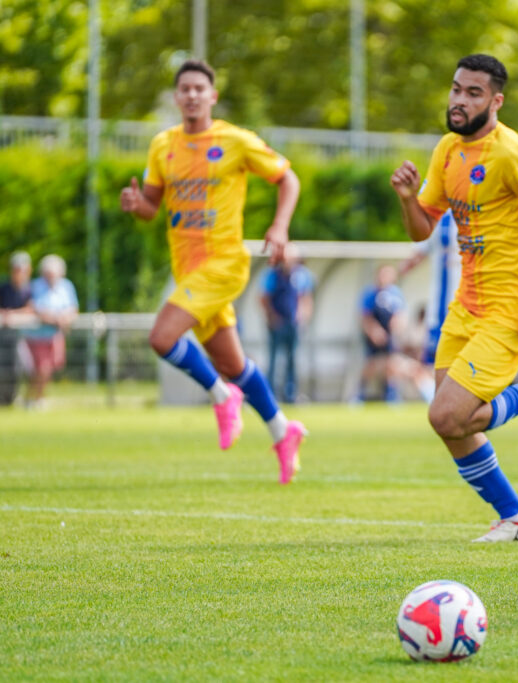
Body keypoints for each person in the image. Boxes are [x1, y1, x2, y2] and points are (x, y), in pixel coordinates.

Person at [390, 54, 518, 542]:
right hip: (465, 306)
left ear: (495, 101)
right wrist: (409, 199)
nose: (459, 100)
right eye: (456, 89)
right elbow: (421, 230)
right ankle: (517, 519)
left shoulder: (513, 154)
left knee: (446, 414)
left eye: (473, 93)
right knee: (451, 424)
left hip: (509, 308)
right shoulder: (449, 150)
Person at [119, 59, 305, 484]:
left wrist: (279, 226)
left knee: (161, 337)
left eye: (199, 88)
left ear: (212, 96)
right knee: (233, 362)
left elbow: (287, 178)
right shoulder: (162, 145)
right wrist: (137, 206)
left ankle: (222, 397)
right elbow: (151, 206)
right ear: (175, 96)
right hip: (187, 269)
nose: (191, 95)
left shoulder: (235, 140)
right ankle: (283, 430)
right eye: (184, 88)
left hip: (223, 263)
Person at [398, 208, 461, 366]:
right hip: (438, 311)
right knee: (435, 364)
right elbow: (420, 248)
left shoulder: (478, 207)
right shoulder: (437, 214)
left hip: (469, 310)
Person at [260, 243, 314, 404]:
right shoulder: (272, 274)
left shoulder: (302, 275)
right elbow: (264, 298)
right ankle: (270, 395)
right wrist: (272, 317)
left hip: (294, 324)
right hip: (277, 324)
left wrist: (303, 316)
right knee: (273, 359)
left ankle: (291, 394)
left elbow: (306, 298)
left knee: (293, 359)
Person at [24, 255, 78, 409]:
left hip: (55, 335)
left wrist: (64, 318)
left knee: (49, 369)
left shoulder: (66, 286)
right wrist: (54, 318)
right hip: (37, 335)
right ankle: (35, 399)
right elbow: (34, 308)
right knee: (41, 368)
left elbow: (73, 307)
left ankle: (35, 398)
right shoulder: (35, 286)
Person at [358, 263, 407, 402]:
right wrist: (373, 331)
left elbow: (401, 313)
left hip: (391, 334)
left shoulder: (396, 293)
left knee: (392, 363)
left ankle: (391, 395)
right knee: (371, 364)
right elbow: (365, 316)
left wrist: (398, 325)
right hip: (374, 335)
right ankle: (360, 394)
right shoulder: (370, 293)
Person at [0, 251, 34, 405]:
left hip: (24, 337)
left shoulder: (30, 289)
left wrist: (12, 314)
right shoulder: (4, 288)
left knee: (25, 367)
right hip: (5, 337)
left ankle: (25, 398)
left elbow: (31, 309)